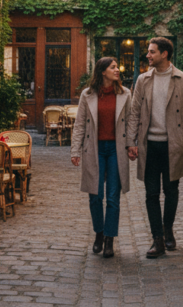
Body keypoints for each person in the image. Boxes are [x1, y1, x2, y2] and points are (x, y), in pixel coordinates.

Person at [127, 37, 183, 258]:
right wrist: (131, 142)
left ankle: (168, 230)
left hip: (172, 146)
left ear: (164, 54)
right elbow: (134, 112)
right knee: (151, 193)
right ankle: (157, 238)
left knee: (171, 191)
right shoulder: (143, 80)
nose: (147, 55)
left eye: (151, 52)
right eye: (148, 52)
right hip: (149, 145)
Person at [70, 57, 132, 258]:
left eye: (117, 67)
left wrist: (132, 145)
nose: (117, 70)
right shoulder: (87, 95)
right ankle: (99, 232)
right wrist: (75, 150)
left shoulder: (125, 94)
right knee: (95, 196)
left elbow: (131, 123)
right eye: (113, 67)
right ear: (103, 71)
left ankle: (109, 239)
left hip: (116, 149)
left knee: (113, 198)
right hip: (93, 148)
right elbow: (79, 124)